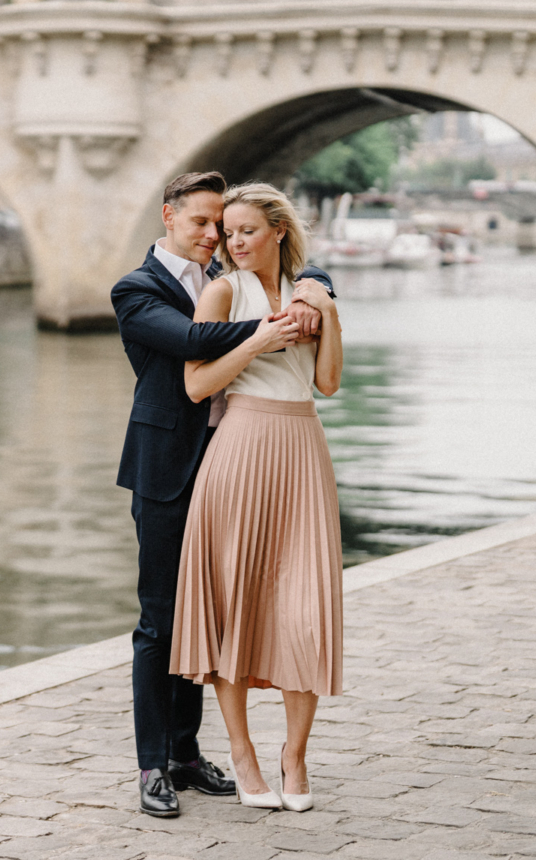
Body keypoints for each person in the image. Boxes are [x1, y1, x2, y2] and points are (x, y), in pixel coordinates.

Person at [111, 171, 335, 818]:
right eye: (202, 223)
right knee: (160, 621)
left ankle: (187, 753)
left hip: (239, 462)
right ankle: (153, 764)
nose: (215, 236)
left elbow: (295, 261)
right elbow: (188, 344)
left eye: (225, 226)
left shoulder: (242, 278)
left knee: (212, 613)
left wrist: (316, 286)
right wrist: (278, 322)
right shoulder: (136, 288)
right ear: (169, 217)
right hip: (167, 472)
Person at [171, 180, 344, 812]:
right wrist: (257, 341)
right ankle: (242, 755)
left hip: (302, 448)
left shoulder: (309, 292)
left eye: (246, 230)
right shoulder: (221, 291)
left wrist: (324, 306)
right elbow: (196, 387)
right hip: (240, 447)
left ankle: (294, 757)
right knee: (237, 606)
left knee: (304, 611)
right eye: (228, 231)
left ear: (278, 232)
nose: (232, 241)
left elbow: (327, 382)